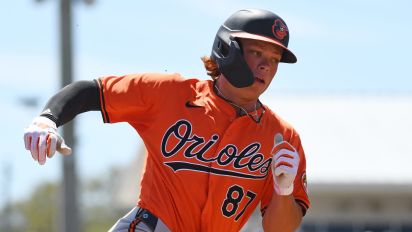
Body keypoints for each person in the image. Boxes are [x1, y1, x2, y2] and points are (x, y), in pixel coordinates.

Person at [23, 8, 310, 232]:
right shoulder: (170, 93)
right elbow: (91, 91)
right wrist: (47, 120)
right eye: (257, 52)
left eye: (273, 58)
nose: (265, 65)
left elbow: (279, 228)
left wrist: (283, 192)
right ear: (228, 48)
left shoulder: (283, 137)